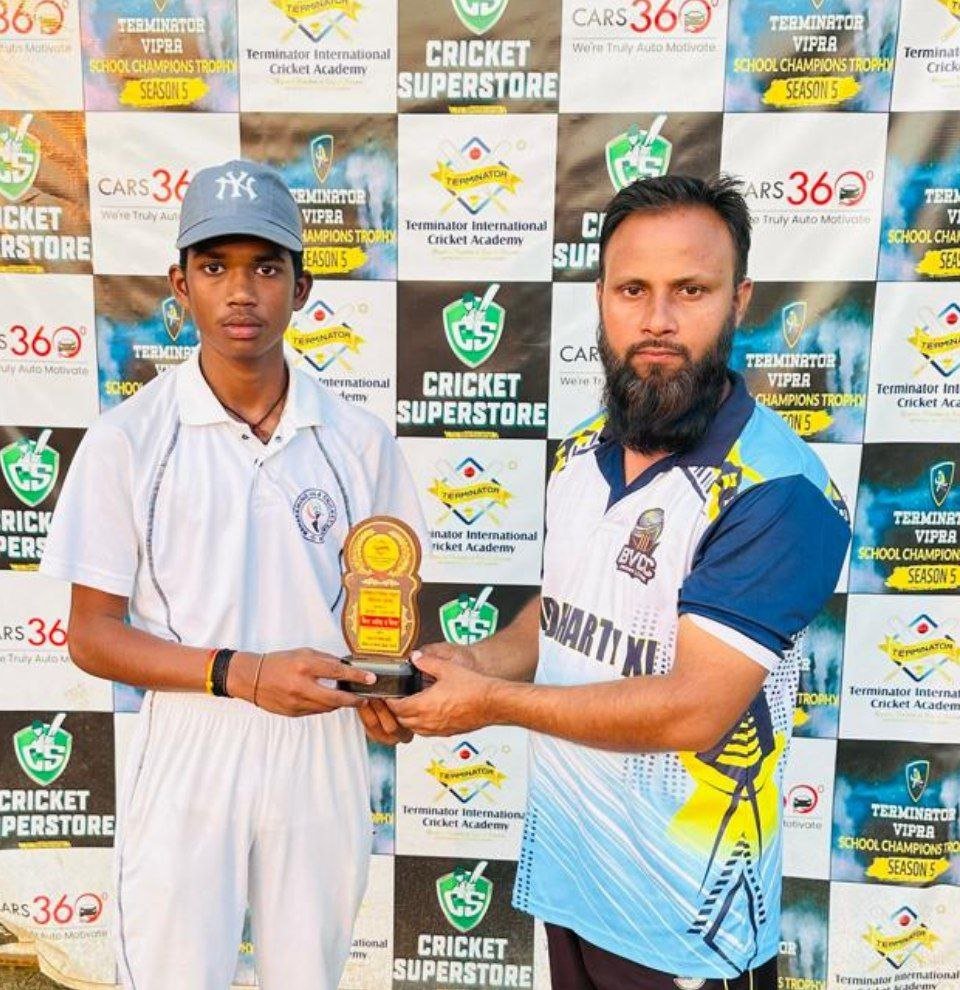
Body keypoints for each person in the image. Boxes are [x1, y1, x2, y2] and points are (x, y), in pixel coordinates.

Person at [389, 175, 850, 989]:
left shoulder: (781, 490)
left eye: (691, 290)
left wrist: (491, 703)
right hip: (572, 882)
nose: (657, 319)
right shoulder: (580, 451)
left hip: (688, 925)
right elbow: (567, 611)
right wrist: (477, 664)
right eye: (633, 289)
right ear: (601, 297)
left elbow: (694, 708)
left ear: (739, 300)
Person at [40, 159, 423, 990]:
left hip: (320, 744)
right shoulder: (129, 439)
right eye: (215, 267)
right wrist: (240, 674)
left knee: (307, 977)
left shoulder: (359, 442)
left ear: (302, 286)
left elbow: (385, 617)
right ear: (180, 285)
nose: (241, 291)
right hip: (192, 741)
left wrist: (386, 695)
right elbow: (92, 636)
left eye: (266, 268)